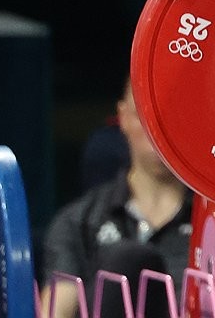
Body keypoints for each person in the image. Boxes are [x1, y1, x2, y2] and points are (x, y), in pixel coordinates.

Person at [40, 77, 192, 318]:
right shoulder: (76, 222)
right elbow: (55, 311)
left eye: (172, 116)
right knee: (127, 259)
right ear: (123, 117)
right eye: (146, 115)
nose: (158, 130)